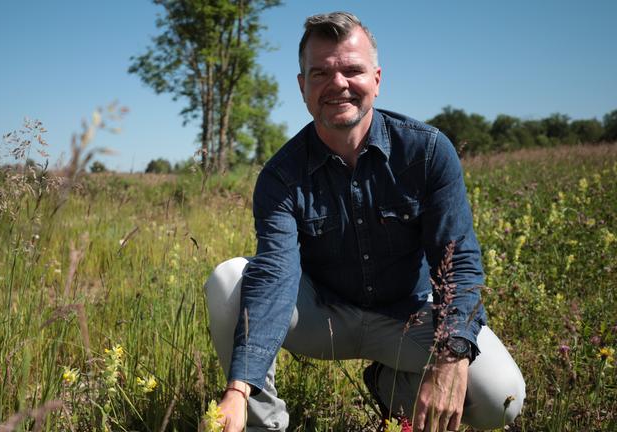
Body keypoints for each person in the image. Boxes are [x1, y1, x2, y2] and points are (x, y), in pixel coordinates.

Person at [204, 11, 525, 432]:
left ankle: (391, 384)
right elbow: (277, 274)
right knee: (230, 280)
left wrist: (450, 357)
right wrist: (237, 389)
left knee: (503, 400)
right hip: (325, 316)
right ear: (303, 87)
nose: (337, 84)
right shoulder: (281, 175)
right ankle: (262, 425)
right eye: (320, 73)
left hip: (408, 317)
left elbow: (460, 261)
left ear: (376, 78)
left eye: (351, 70)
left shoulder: (427, 152)